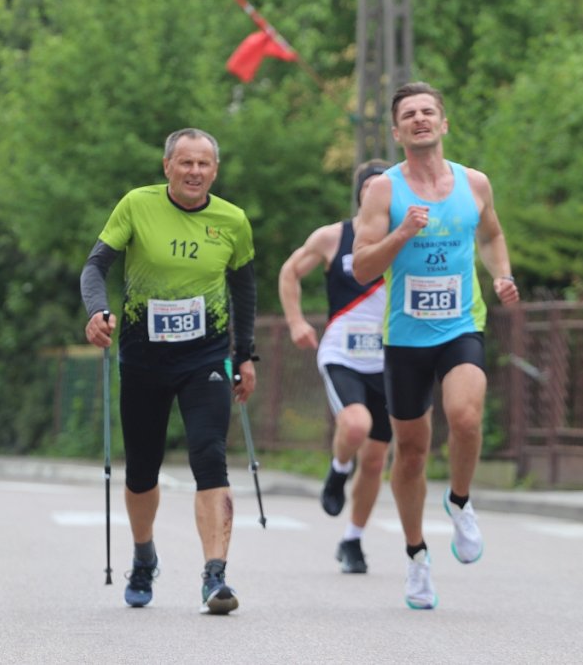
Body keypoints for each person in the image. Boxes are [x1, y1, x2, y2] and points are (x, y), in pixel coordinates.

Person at [351, 82, 519, 610]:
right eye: (409, 115)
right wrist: (401, 234)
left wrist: (501, 275)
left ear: (444, 124)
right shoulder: (382, 189)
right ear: (398, 131)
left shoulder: (475, 183)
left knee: (466, 417)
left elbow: (490, 235)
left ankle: (461, 502)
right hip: (405, 338)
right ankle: (416, 556)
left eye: (429, 112)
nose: (420, 119)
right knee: (412, 452)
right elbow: (360, 268)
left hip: (460, 326)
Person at [80, 128, 257, 615]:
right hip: (143, 358)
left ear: (215, 171)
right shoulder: (137, 205)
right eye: (185, 163)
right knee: (141, 470)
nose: (194, 172)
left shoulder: (233, 221)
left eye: (203, 164)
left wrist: (245, 355)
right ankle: (143, 555)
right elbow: (95, 267)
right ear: (167, 167)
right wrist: (97, 311)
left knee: (210, 456)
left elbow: (243, 291)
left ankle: (215, 576)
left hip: (206, 359)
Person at [279, 158, 421, 575]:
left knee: (376, 458)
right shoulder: (332, 237)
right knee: (355, 426)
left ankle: (353, 540)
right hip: (342, 352)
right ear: (362, 194)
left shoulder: (407, 238)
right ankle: (338, 469)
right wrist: (296, 322)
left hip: (389, 358)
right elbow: (290, 271)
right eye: (373, 189)